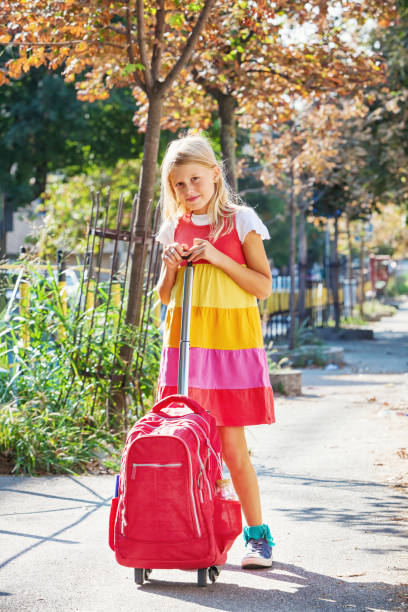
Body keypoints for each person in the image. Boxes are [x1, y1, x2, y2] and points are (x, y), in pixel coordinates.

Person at [156, 134, 275, 569]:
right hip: (185, 349)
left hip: (228, 348)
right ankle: (196, 531)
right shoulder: (173, 228)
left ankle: (257, 538)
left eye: (195, 179)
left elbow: (262, 286)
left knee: (232, 448)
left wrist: (218, 258)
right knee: (186, 445)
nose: (189, 191)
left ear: (215, 175)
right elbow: (164, 299)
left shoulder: (241, 220)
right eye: (179, 185)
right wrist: (169, 269)